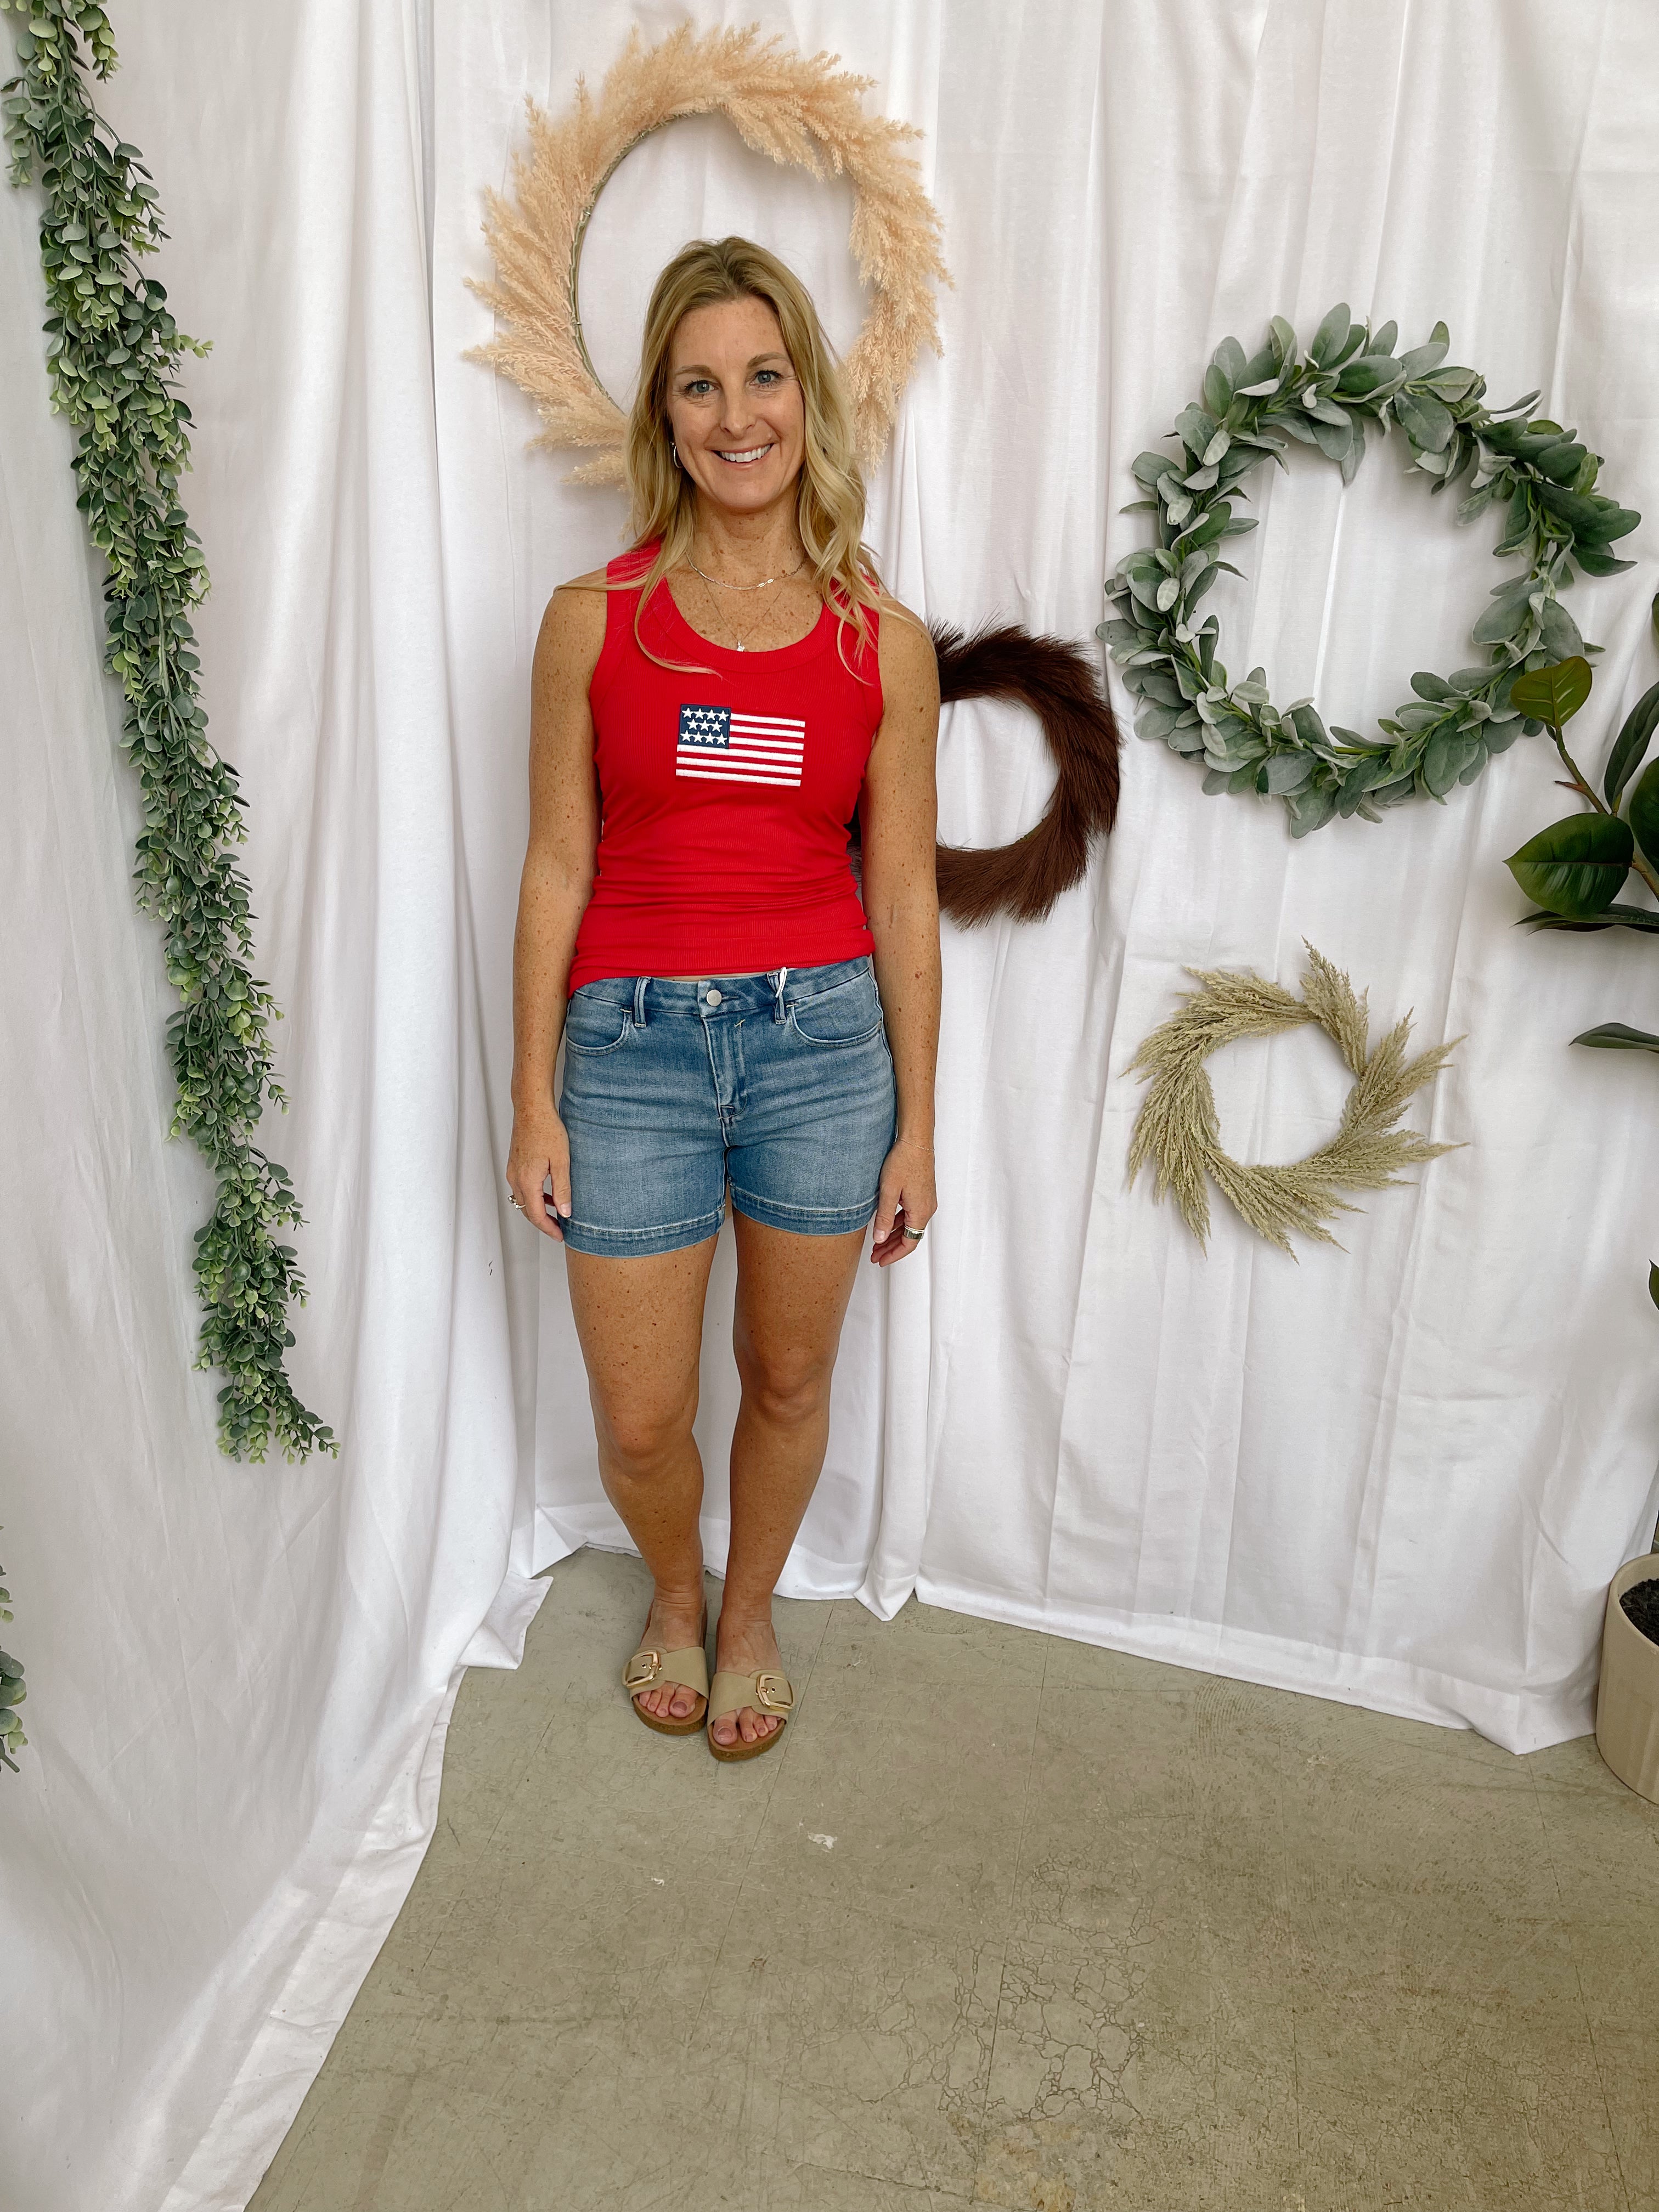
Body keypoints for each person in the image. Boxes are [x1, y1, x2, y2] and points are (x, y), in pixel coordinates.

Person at [505, 235, 941, 1762]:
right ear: (664, 414)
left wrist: (918, 1129)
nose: (736, 414)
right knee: (637, 1420)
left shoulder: (881, 642)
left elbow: (901, 893)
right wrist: (533, 1097)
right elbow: (558, 864)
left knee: (788, 1372)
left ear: (807, 398)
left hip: (825, 1048)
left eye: (764, 376)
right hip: (627, 1055)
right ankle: (673, 1594)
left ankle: (747, 1613)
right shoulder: (592, 619)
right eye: (701, 385)